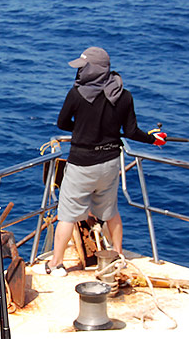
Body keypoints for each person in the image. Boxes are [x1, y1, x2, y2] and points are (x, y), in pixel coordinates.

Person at [34, 47, 166, 278]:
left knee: (67, 215)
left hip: (82, 164)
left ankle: (56, 264)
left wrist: (84, 130)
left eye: (83, 67)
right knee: (109, 211)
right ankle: (117, 256)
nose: (80, 71)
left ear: (93, 69)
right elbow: (132, 131)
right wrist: (152, 139)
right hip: (110, 162)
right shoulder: (123, 95)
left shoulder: (77, 94)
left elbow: (62, 123)